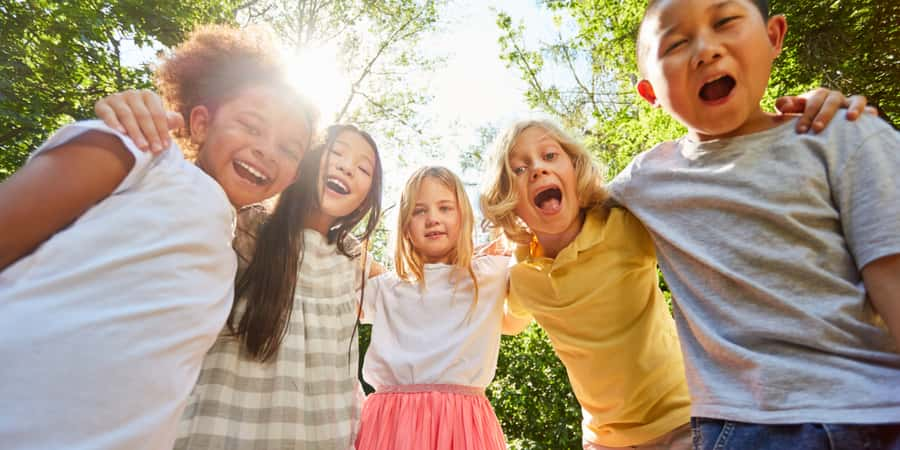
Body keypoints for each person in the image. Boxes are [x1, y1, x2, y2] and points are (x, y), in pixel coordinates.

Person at [0, 24, 317, 450]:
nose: (266, 150)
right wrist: (130, 112)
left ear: (292, 177)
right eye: (251, 125)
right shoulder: (146, 155)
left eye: (288, 148)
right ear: (201, 123)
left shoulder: (235, 251)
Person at [607, 0, 900, 447]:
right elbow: (565, 217)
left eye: (725, 22)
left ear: (773, 36)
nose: (706, 50)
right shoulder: (645, 180)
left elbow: (893, 278)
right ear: (649, 93)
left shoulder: (846, 135)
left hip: (878, 409)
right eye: (676, 43)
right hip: (746, 426)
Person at [356, 166, 530, 450]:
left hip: (462, 427)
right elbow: (339, 267)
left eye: (445, 208)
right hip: (390, 427)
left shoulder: (489, 274)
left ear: (464, 217)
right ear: (405, 228)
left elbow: (529, 243)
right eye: (419, 210)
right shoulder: (387, 288)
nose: (433, 218)